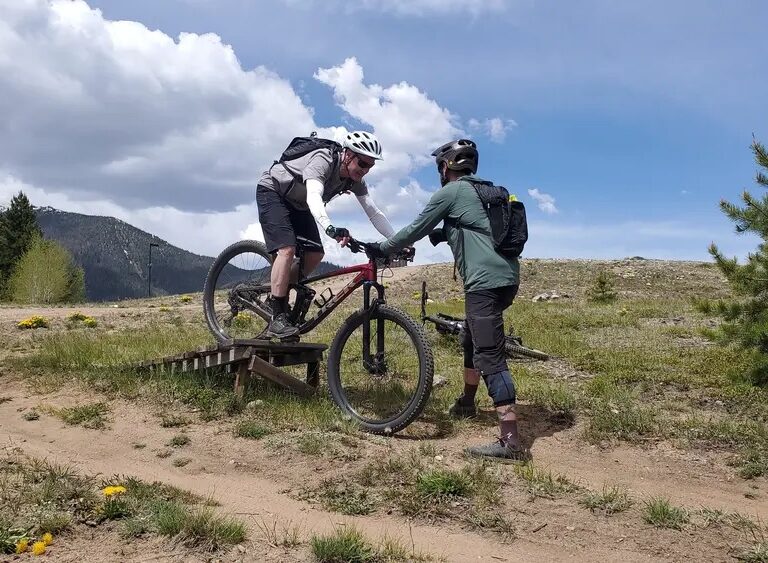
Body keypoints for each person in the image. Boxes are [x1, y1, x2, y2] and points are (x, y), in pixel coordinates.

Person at [374, 139, 527, 461]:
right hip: (508, 280)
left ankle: (511, 440)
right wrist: (446, 234)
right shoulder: (489, 191)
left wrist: (383, 248)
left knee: (489, 353)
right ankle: (467, 403)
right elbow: (482, 229)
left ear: (445, 167)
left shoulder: (453, 192)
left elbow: (415, 228)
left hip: (484, 284)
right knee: (471, 337)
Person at [256, 131, 398, 338]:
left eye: (370, 166)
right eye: (362, 163)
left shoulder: (355, 180)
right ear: (348, 155)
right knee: (287, 250)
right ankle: (277, 317)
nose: (365, 170)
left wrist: (397, 241)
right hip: (274, 192)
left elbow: (373, 212)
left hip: (300, 205)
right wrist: (329, 228)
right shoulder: (323, 160)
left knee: (315, 255)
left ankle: (276, 294)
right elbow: (314, 195)